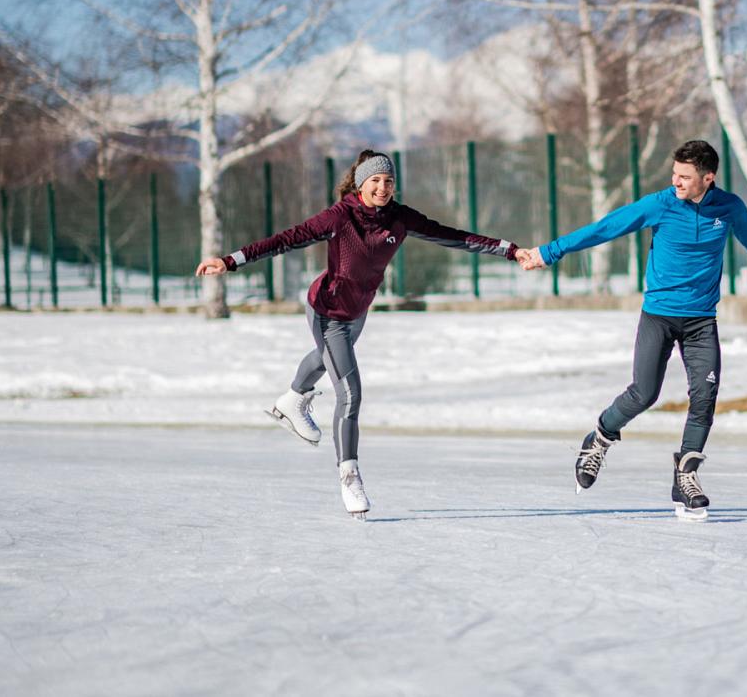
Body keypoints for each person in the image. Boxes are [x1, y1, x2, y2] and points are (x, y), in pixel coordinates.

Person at [196, 149, 520, 519]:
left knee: (327, 359)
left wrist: (509, 250)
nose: (383, 188)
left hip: (358, 310)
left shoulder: (399, 218)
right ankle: (349, 475)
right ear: (361, 184)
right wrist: (230, 260)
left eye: (389, 181)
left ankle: (291, 399)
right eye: (375, 182)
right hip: (328, 311)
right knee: (349, 393)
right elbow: (288, 238)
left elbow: (452, 236)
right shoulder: (340, 216)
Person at [517, 139, 747, 520]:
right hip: (658, 316)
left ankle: (685, 476)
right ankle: (599, 437)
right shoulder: (660, 205)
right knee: (644, 393)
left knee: (704, 397)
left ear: (707, 179)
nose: (675, 182)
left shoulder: (728, 208)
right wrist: (549, 252)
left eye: (685, 177)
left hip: (700, 321)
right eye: (674, 174)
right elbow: (606, 228)